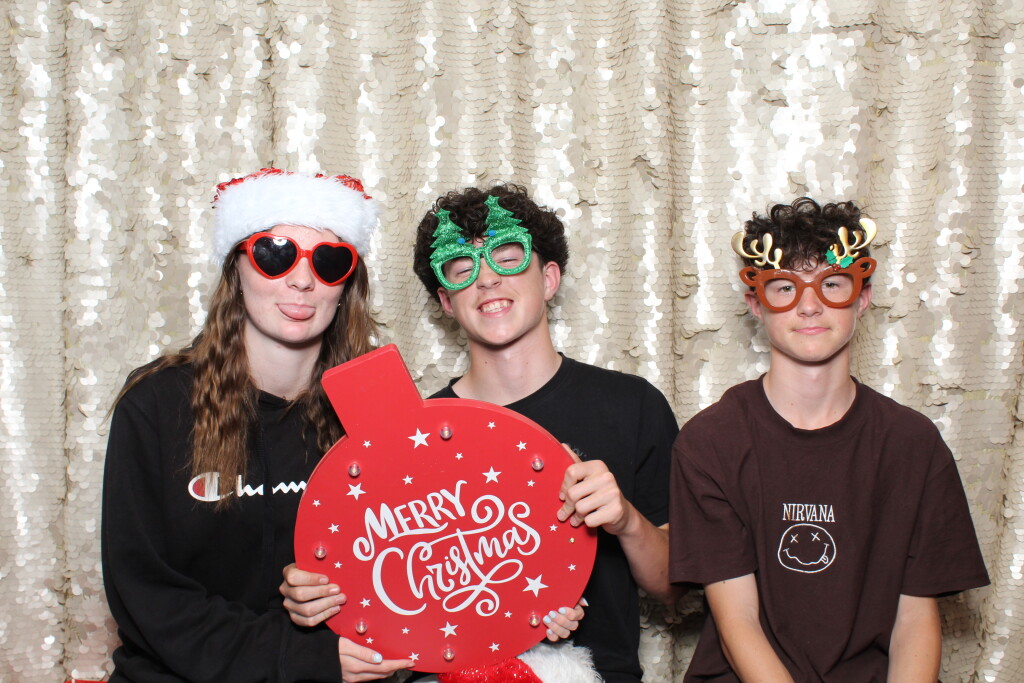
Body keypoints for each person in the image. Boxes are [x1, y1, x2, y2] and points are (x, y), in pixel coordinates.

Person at [281, 184, 679, 681]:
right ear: (446, 302)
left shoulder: (631, 405)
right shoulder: (408, 435)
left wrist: (626, 521)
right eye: (462, 270)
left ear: (549, 278)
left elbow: (675, 588)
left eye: (508, 259)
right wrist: (316, 594)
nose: (487, 279)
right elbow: (371, 583)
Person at [101, 168, 413, 682]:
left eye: (330, 261)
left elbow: (423, 561)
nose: (302, 280)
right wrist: (299, 656)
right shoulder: (157, 403)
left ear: (347, 285)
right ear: (237, 269)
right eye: (275, 253)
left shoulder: (379, 407)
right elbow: (145, 593)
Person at [669, 197, 990, 681]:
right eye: (785, 287)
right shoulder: (710, 443)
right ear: (756, 303)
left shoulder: (913, 444)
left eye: (832, 284)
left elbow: (913, 622)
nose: (810, 305)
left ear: (863, 297)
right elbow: (739, 623)